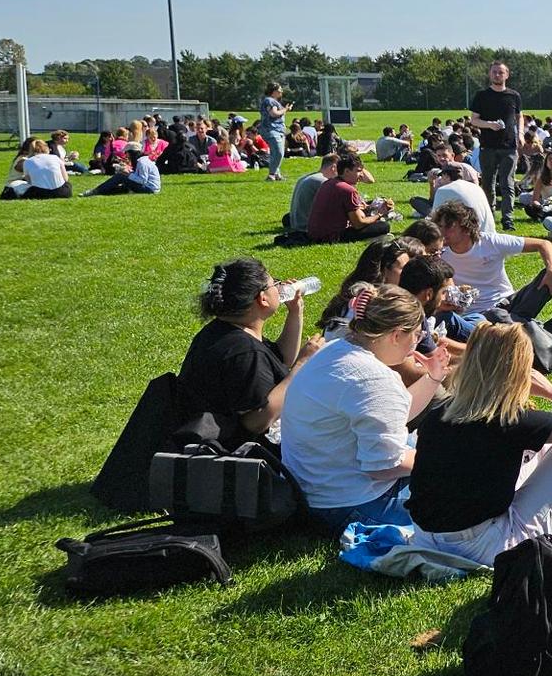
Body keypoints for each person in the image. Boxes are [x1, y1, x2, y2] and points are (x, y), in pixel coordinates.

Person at [404, 322, 552, 566]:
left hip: (426, 538)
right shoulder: (510, 421)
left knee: (541, 447)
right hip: (487, 545)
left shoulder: (440, 412)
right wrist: (550, 391)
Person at [280, 285, 449, 532]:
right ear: (396, 335)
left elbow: (393, 414)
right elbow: (383, 467)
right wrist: (439, 460)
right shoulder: (373, 378)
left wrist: (433, 378)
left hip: (311, 489)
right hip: (348, 503)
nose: (418, 342)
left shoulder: (334, 350)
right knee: (463, 494)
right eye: (417, 335)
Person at [176, 258, 319, 444]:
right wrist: (301, 366)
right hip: (236, 455)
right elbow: (257, 421)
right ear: (263, 299)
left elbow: (280, 361)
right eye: (274, 283)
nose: (279, 286)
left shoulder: (223, 331)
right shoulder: (244, 352)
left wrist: (295, 313)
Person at [431, 201, 552, 321]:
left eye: (449, 227)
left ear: (466, 227)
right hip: (475, 316)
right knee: (494, 316)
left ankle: (512, 325)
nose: (442, 232)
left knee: (546, 277)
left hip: (508, 302)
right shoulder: (438, 253)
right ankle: (519, 326)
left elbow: (543, 244)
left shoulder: (491, 242)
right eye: (440, 226)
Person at [469, 59, 522, 230]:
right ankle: (489, 216)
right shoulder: (482, 96)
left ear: (507, 74)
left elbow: (519, 116)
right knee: (488, 183)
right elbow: (474, 120)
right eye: (494, 72)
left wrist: (519, 134)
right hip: (488, 146)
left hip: (509, 147)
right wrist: (490, 125)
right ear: (489, 74)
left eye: (500, 72)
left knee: (508, 183)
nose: (497, 75)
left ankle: (508, 218)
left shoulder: (514, 95)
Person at [307, 153, 394, 242]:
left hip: (314, 234)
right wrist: (379, 214)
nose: (361, 175)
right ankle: (373, 239)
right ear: (347, 171)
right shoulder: (348, 190)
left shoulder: (328, 183)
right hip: (331, 236)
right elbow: (359, 223)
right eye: (358, 171)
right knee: (384, 226)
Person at [1, 138, 72, 199]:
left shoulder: (27, 161)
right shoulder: (55, 157)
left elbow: (30, 181)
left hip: (40, 193)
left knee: (18, 186)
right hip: (63, 192)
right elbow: (65, 178)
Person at [83, 143, 162, 197]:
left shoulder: (142, 163)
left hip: (150, 189)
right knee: (120, 185)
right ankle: (101, 191)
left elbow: (143, 180)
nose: (125, 155)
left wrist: (128, 174)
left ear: (132, 152)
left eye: (126, 152)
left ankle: (96, 191)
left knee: (120, 177)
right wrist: (129, 172)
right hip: (150, 188)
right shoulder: (142, 160)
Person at [258, 81, 290, 182]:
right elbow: (273, 113)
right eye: (280, 90)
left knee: (275, 153)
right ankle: (271, 175)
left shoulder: (272, 101)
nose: (281, 92)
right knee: (279, 152)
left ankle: (277, 174)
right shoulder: (269, 101)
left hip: (278, 130)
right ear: (274, 91)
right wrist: (285, 109)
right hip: (271, 130)